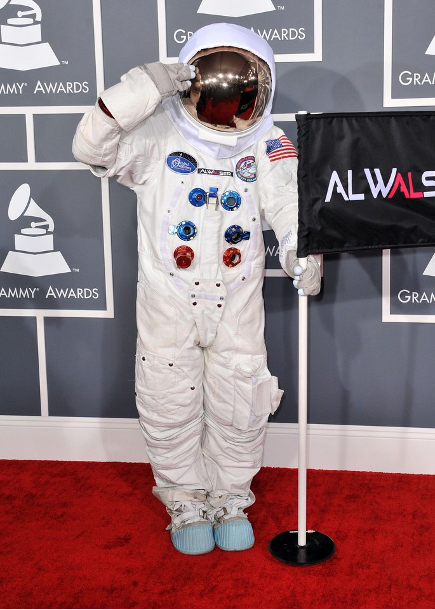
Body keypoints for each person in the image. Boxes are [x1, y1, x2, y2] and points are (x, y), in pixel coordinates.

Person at [72, 22, 321, 555]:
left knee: (241, 394)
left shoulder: (270, 143)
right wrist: (144, 86)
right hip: (168, 299)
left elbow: (289, 209)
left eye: (243, 92)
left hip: (237, 300)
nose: (229, 103)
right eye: (215, 90)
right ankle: (184, 499)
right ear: (189, 85)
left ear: (261, 90)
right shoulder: (157, 133)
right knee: (168, 397)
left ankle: (231, 496)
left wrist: (304, 251)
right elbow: (90, 146)